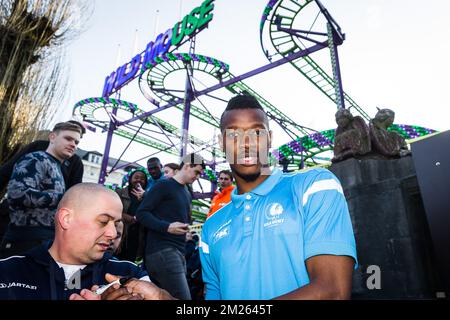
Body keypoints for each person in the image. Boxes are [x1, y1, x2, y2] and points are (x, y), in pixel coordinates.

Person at [200, 94, 357, 300]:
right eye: (233, 136)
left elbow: (333, 291)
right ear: (221, 143)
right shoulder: (211, 227)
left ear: (270, 138)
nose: (246, 144)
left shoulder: (313, 186)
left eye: (257, 132)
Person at [0, 183, 153, 300]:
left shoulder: (130, 275)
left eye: (116, 224)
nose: (113, 233)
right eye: (103, 221)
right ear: (66, 219)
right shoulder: (8, 271)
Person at [0, 122, 83, 258]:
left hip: (42, 242)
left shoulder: (56, 167)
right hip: (24, 241)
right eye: (68, 138)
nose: (73, 144)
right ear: (52, 137)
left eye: (76, 142)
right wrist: (64, 198)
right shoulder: (36, 159)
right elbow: (16, 194)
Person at [136, 153, 205, 300]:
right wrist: (167, 227)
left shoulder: (186, 192)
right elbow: (141, 213)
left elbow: (175, 219)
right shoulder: (164, 185)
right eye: (197, 172)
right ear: (187, 166)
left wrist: (183, 233)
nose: (198, 177)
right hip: (163, 251)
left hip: (176, 252)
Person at [115, 168, 148, 262]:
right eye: (136, 177)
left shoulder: (148, 196)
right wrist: (130, 218)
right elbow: (113, 211)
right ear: (130, 179)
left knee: (129, 261)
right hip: (121, 232)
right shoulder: (120, 193)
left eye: (142, 178)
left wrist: (145, 198)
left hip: (137, 236)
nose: (139, 180)